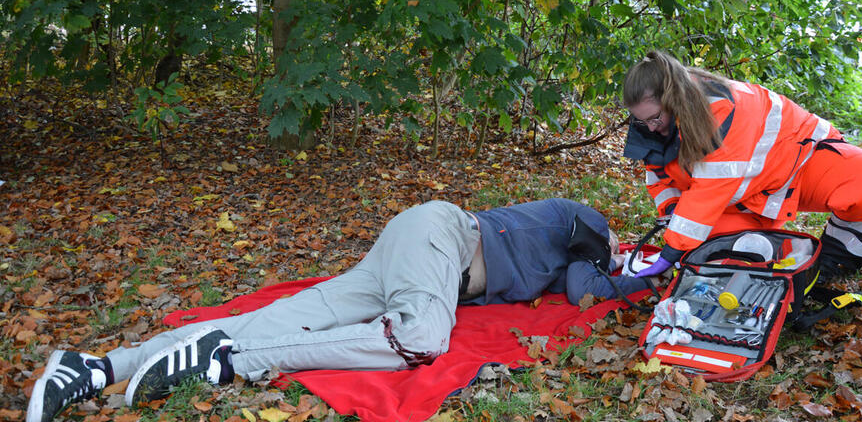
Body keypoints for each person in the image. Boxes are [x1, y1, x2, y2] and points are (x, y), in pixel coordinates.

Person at [27, 198, 651, 422]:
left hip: (409, 252)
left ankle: (96, 367)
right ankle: (230, 361)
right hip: (441, 241)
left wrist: (610, 275)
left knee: (280, 315)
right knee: (422, 338)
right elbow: (593, 277)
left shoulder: (566, 257)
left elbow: (578, 289)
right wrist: (635, 265)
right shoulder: (585, 221)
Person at [620, 50, 862, 280]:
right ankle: (767, 253)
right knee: (708, 247)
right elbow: (659, 178)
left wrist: (671, 251)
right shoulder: (651, 121)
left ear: (673, 98)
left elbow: (710, 188)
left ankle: (835, 263)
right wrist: (673, 215)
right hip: (741, 201)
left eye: (655, 118)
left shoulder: (720, 108)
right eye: (642, 121)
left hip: (800, 165)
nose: (651, 128)